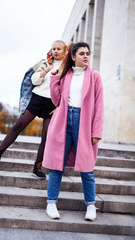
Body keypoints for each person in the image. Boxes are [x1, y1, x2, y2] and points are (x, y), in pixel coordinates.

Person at [0, 40, 67, 180]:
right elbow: (34, 81)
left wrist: (59, 107)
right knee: (18, 125)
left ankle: (37, 166)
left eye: (59, 49)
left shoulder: (66, 67)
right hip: (37, 99)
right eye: (53, 49)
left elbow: (66, 89)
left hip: (52, 103)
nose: (55, 51)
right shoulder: (45, 63)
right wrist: (45, 71)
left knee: (46, 136)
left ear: (65, 52)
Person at [42, 42, 104, 220]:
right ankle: (51, 203)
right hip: (63, 120)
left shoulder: (94, 76)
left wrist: (96, 131)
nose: (86, 56)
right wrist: (54, 78)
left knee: (87, 167)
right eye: (82, 53)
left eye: (87, 53)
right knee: (56, 165)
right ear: (73, 56)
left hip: (84, 122)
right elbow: (57, 100)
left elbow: (99, 105)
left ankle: (91, 206)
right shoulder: (66, 74)